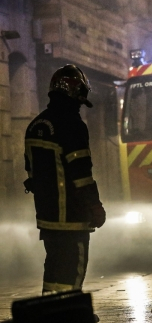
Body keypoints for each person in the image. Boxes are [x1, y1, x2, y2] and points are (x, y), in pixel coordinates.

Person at [24, 64, 106, 295]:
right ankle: (70, 314)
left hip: (47, 216)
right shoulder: (72, 125)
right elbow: (81, 174)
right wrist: (94, 205)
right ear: (75, 92)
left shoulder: (36, 125)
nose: (81, 104)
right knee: (73, 268)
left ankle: (51, 311)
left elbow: (30, 170)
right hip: (72, 215)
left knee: (54, 266)